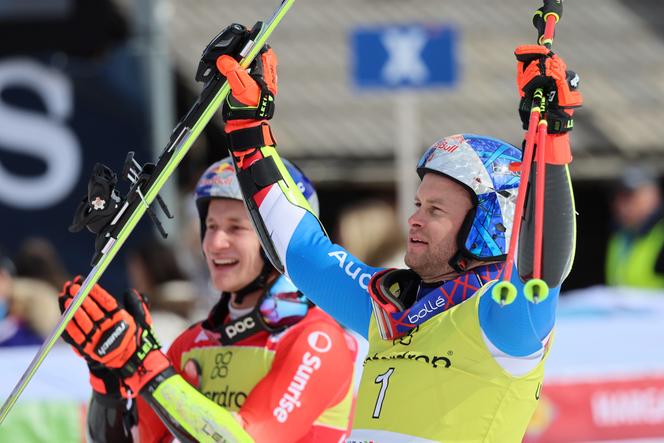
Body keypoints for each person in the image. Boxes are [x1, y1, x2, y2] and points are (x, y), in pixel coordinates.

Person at [210, 28, 580, 442]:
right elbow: (300, 250)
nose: (414, 220)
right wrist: (247, 128)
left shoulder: (503, 320)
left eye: (435, 210)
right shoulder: (388, 312)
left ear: (490, 225)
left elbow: (542, 269)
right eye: (418, 205)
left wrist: (552, 137)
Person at [58, 155, 358, 442]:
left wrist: (146, 364)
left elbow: (245, 440)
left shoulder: (318, 341)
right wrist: (108, 376)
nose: (215, 243)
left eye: (236, 228)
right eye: (211, 226)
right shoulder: (192, 343)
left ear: (279, 242)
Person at [605, 164, 664, 288]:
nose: (621, 204)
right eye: (618, 197)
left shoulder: (660, 234)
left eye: (629, 196)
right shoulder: (620, 235)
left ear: (653, 195)